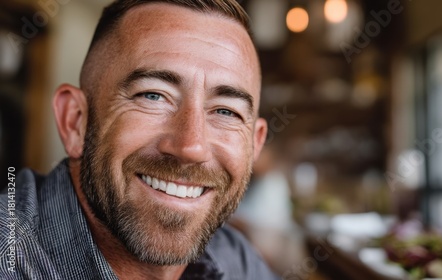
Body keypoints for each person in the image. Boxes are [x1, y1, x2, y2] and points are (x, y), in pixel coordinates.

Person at [0, 0, 277, 279]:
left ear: (255, 145)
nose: (191, 147)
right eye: (152, 95)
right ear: (75, 121)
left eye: (226, 111)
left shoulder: (235, 258)